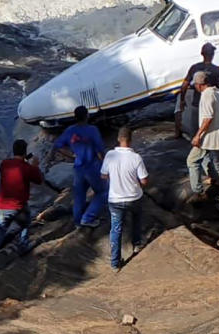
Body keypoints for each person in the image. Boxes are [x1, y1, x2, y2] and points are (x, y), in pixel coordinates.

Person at [0, 139, 43, 271]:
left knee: (0, 231)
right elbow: (38, 180)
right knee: (25, 223)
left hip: (1, 206)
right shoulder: (27, 168)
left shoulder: (4, 164)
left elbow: (11, 168)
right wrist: (35, 166)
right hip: (18, 206)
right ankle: (23, 245)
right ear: (25, 152)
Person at [101, 125, 149, 270]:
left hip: (115, 200)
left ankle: (115, 263)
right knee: (136, 219)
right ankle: (136, 244)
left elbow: (103, 175)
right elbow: (144, 180)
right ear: (131, 139)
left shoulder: (110, 155)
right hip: (134, 197)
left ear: (118, 139)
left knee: (116, 229)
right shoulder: (136, 158)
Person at [51, 105, 106, 228]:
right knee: (102, 192)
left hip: (78, 167)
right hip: (92, 166)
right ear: (87, 116)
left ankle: (77, 222)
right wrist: (106, 166)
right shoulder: (92, 130)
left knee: (79, 195)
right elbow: (100, 150)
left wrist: (71, 155)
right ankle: (88, 217)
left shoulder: (70, 130)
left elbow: (58, 145)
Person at [189, 71, 219, 195]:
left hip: (208, 135)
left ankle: (197, 191)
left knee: (192, 160)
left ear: (199, 84)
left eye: (195, 85)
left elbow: (207, 118)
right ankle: (218, 179)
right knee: (209, 158)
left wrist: (198, 135)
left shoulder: (206, 95)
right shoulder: (218, 92)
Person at [175, 43, 219, 139]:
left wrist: (182, 100)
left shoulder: (194, 68)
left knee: (196, 130)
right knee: (209, 131)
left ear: (202, 54)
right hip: (211, 104)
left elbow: (184, 85)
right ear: (213, 55)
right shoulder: (218, 70)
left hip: (197, 103)